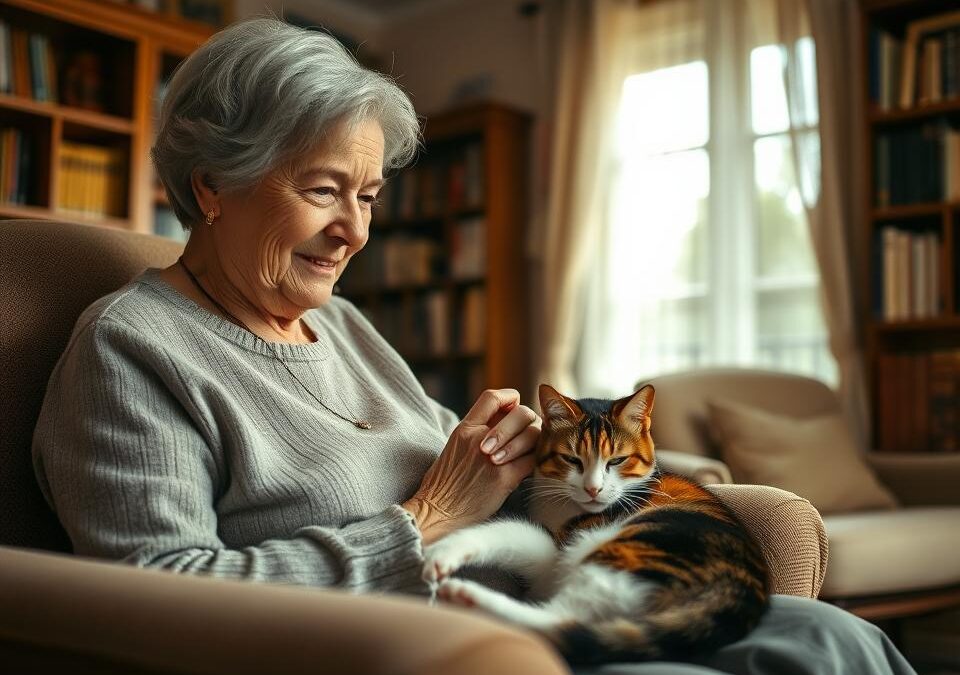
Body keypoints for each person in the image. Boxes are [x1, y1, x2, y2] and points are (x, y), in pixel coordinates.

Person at [32, 17, 915, 675]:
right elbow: (160, 591)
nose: (352, 231)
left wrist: (568, 457)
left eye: (369, 196)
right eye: (323, 190)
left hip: (525, 599)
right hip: (414, 649)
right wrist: (422, 522)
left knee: (839, 636)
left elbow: (472, 468)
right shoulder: (133, 348)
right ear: (212, 185)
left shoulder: (338, 324)